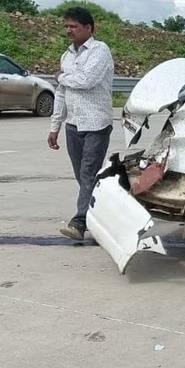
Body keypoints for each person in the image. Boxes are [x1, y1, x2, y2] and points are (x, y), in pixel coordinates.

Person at [47, 7, 114, 240]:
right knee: (84, 177)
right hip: (73, 124)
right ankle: (101, 216)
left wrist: (60, 76)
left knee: (88, 173)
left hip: (96, 123)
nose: (69, 30)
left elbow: (86, 80)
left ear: (88, 28)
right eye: (66, 26)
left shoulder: (100, 50)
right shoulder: (66, 56)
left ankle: (79, 222)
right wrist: (55, 126)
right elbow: (61, 93)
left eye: (73, 26)